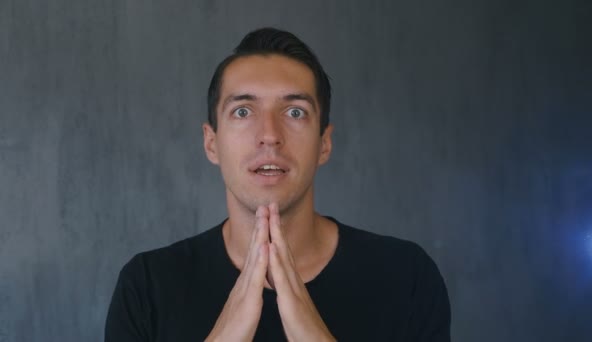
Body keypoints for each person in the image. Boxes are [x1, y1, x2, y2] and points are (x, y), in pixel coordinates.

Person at [105, 27, 451, 341]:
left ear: (324, 144)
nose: (269, 135)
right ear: (211, 143)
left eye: (295, 112)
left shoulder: (406, 278)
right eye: (243, 111)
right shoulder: (148, 286)